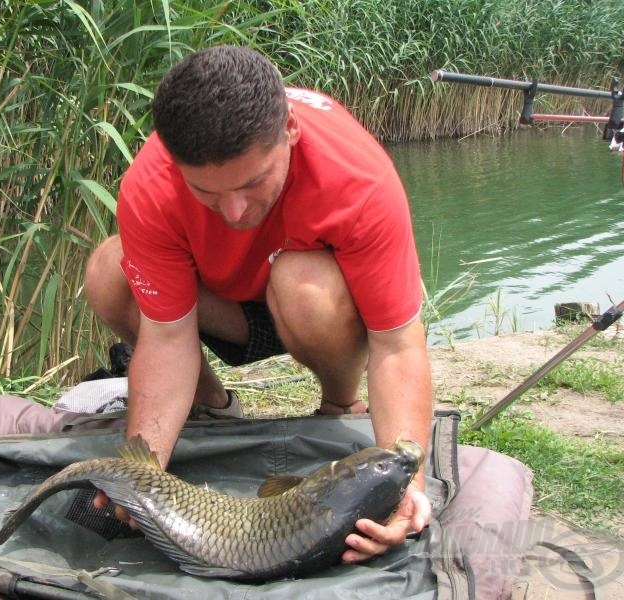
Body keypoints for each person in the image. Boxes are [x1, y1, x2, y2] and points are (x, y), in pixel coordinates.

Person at [83, 45, 433, 563]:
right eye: (206, 191)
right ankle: (216, 410)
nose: (234, 211)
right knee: (109, 271)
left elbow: (398, 344)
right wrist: (144, 472)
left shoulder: (358, 180)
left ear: (290, 129)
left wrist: (409, 488)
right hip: (220, 304)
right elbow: (165, 336)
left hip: (309, 304)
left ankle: (338, 403)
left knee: (304, 285)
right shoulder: (150, 184)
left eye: (252, 183)